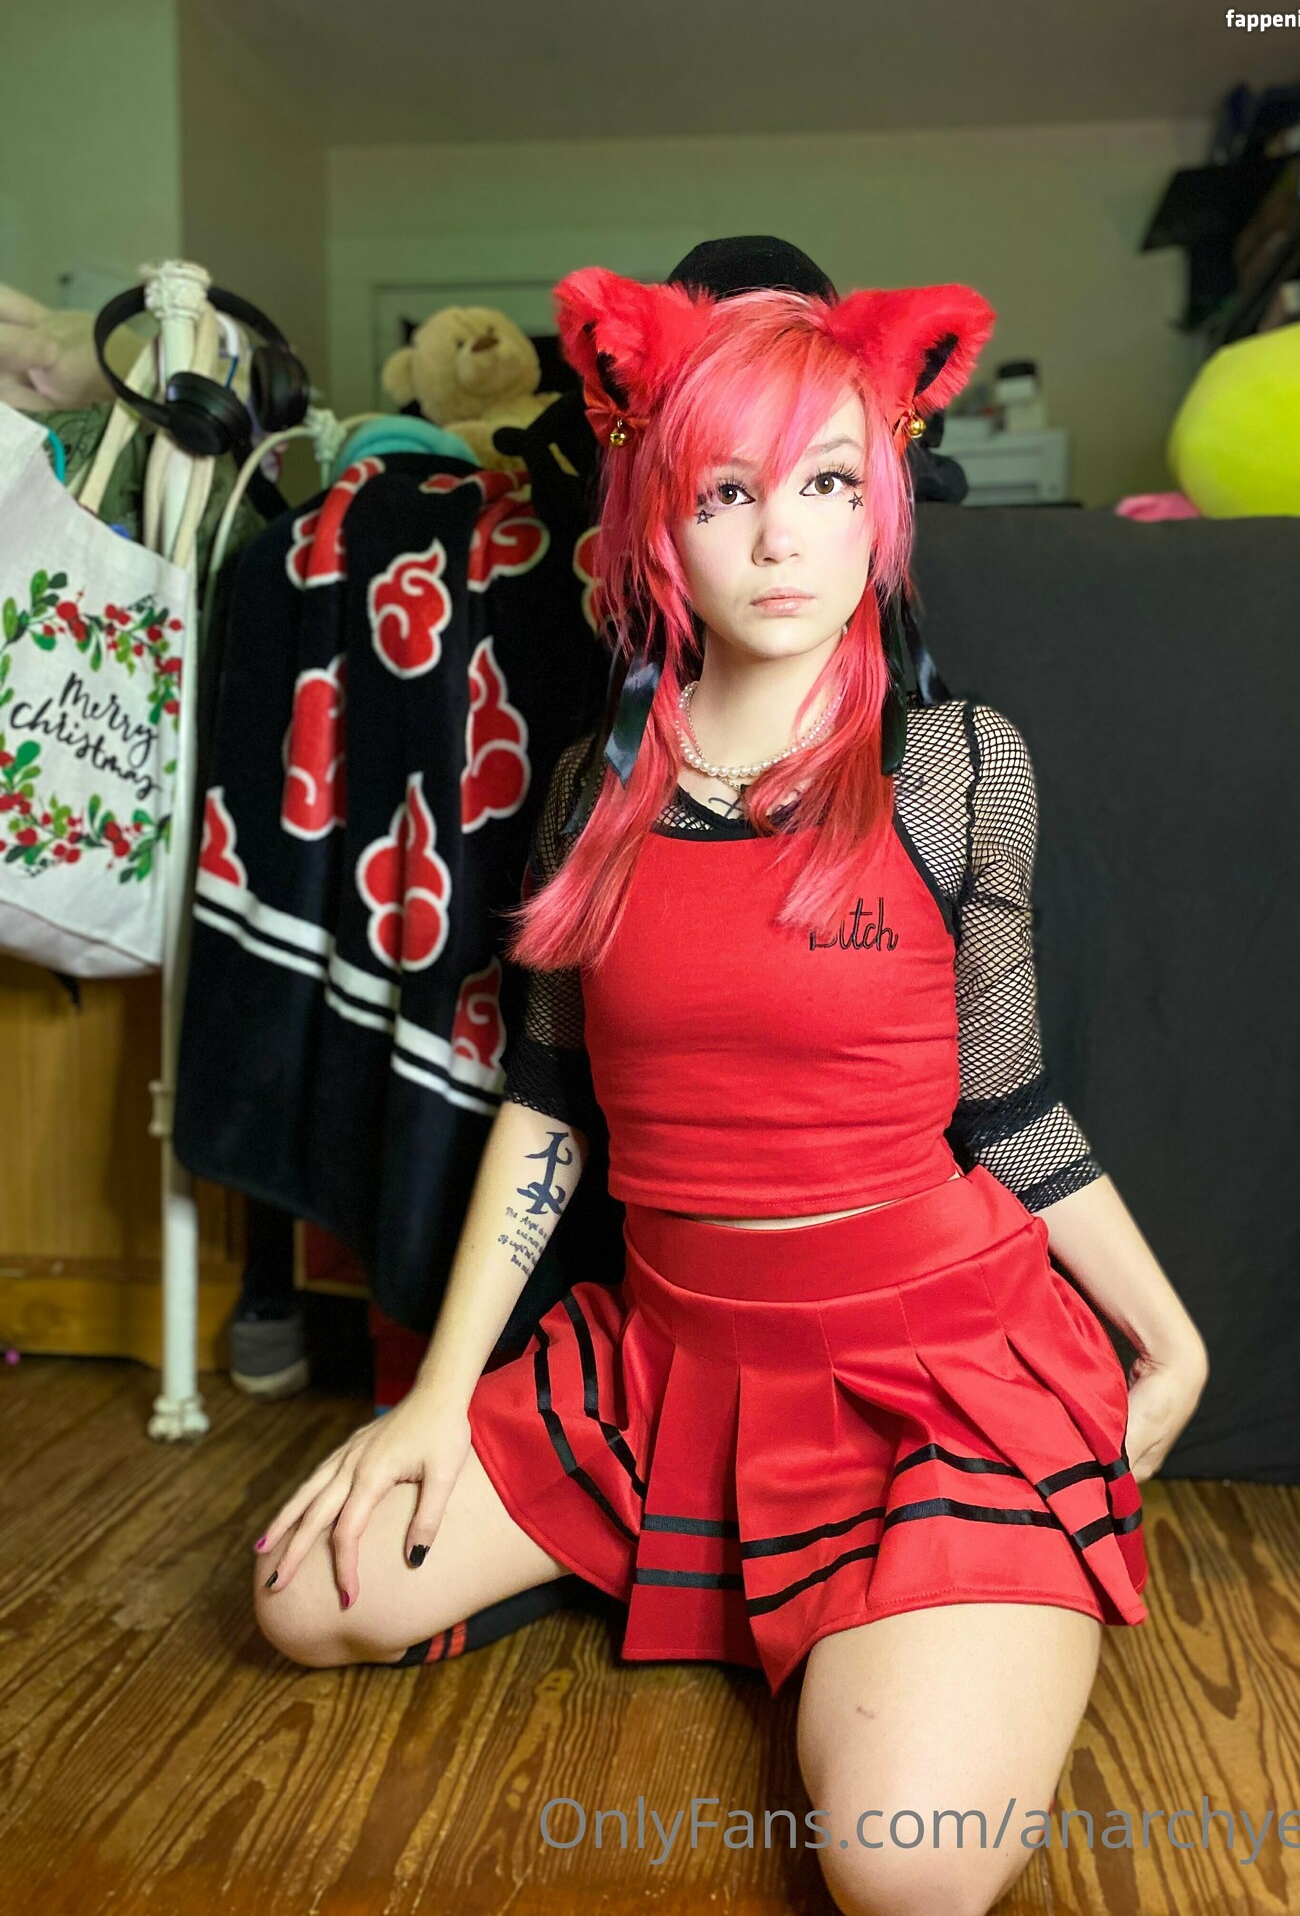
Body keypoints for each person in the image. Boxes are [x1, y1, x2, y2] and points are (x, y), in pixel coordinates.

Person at [253, 249, 1208, 1915]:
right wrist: (436, 1397)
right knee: (304, 1601)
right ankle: (729, 1577)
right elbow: (547, 1111)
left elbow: (1008, 1107)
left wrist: (1174, 1341)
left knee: (904, 1875)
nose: (782, 540)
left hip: (930, 1379)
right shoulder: (592, 791)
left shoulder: (955, 768)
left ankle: (915, 1595)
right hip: (670, 1367)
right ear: (658, 520)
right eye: (728, 491)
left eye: (828, 483)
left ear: (881, 504)